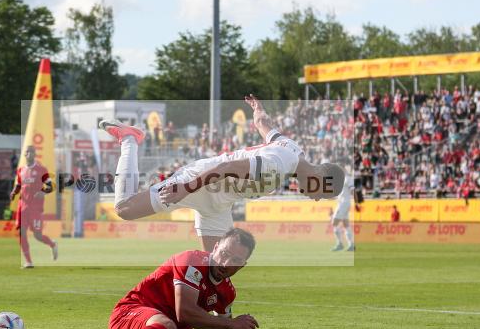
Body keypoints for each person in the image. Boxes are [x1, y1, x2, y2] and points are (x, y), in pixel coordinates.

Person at [99, 95, 346, 251]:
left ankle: (215, 327)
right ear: (321, 178)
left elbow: (266, 127)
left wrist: (258, 112)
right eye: (320, 193)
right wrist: (185, 188)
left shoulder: (293, 151)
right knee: (124, 209)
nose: (315, 199)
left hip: (219, 204)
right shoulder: (278, 165)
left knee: (215, 272)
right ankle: (130, 138)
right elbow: (226, 169)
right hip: (199, 182)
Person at [95, 227, 259, 329]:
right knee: (168, 324)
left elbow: (223, 315)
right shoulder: (192, 261)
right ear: (215, 248)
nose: (225, 263)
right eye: (224, 253)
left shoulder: (227, 292)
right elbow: (185, 313)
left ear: (242, 265)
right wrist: (231, 323)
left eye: (235, 260)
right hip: (127, 317)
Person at [10, 146, 58, 268]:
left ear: (34, 154)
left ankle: (52, 244)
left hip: (35, 208)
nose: (29, 154)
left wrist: (43, 192)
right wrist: (14, 192)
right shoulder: (21, 170)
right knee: (22, 233)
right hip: (23, 207)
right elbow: (19, 184)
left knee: (38, 236)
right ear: (24, 155)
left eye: (31, 152)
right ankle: (28, 262)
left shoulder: (41, 169)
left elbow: (51, 186)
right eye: (27, 152)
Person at [331, 172, 354, 252]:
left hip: (344, 203)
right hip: (343, 203)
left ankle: (340, 244)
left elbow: (352, 190)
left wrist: (357, 201)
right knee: (346, 224)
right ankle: (351, 245)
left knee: (334, 222)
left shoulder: (348, 178)